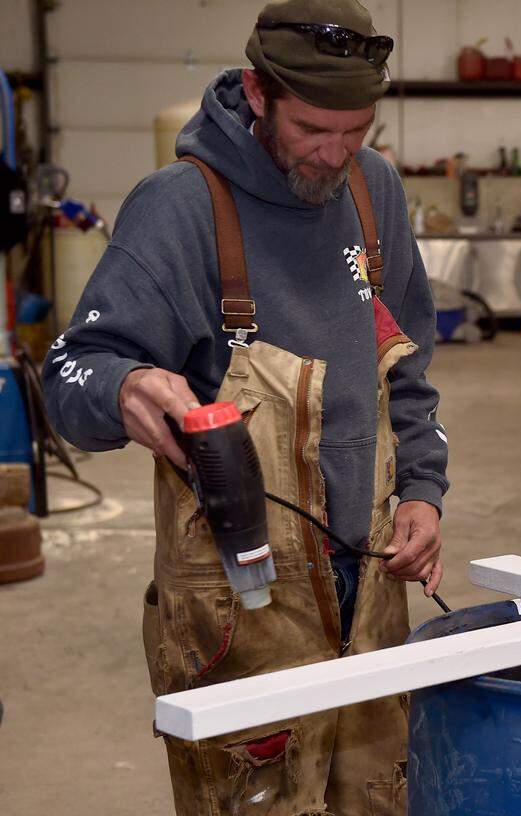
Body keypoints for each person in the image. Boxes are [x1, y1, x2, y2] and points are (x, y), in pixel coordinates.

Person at [41, 1, 448, 813]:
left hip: (372, 583)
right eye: (311, 130)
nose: (335, 154)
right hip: (241, 601)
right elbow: (69, 373)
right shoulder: (180, 207)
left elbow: (409, 367)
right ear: (258, 95)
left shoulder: (375, 192)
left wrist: (423, 491)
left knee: (382, 796)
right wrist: (122, 386)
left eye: (355, 130)